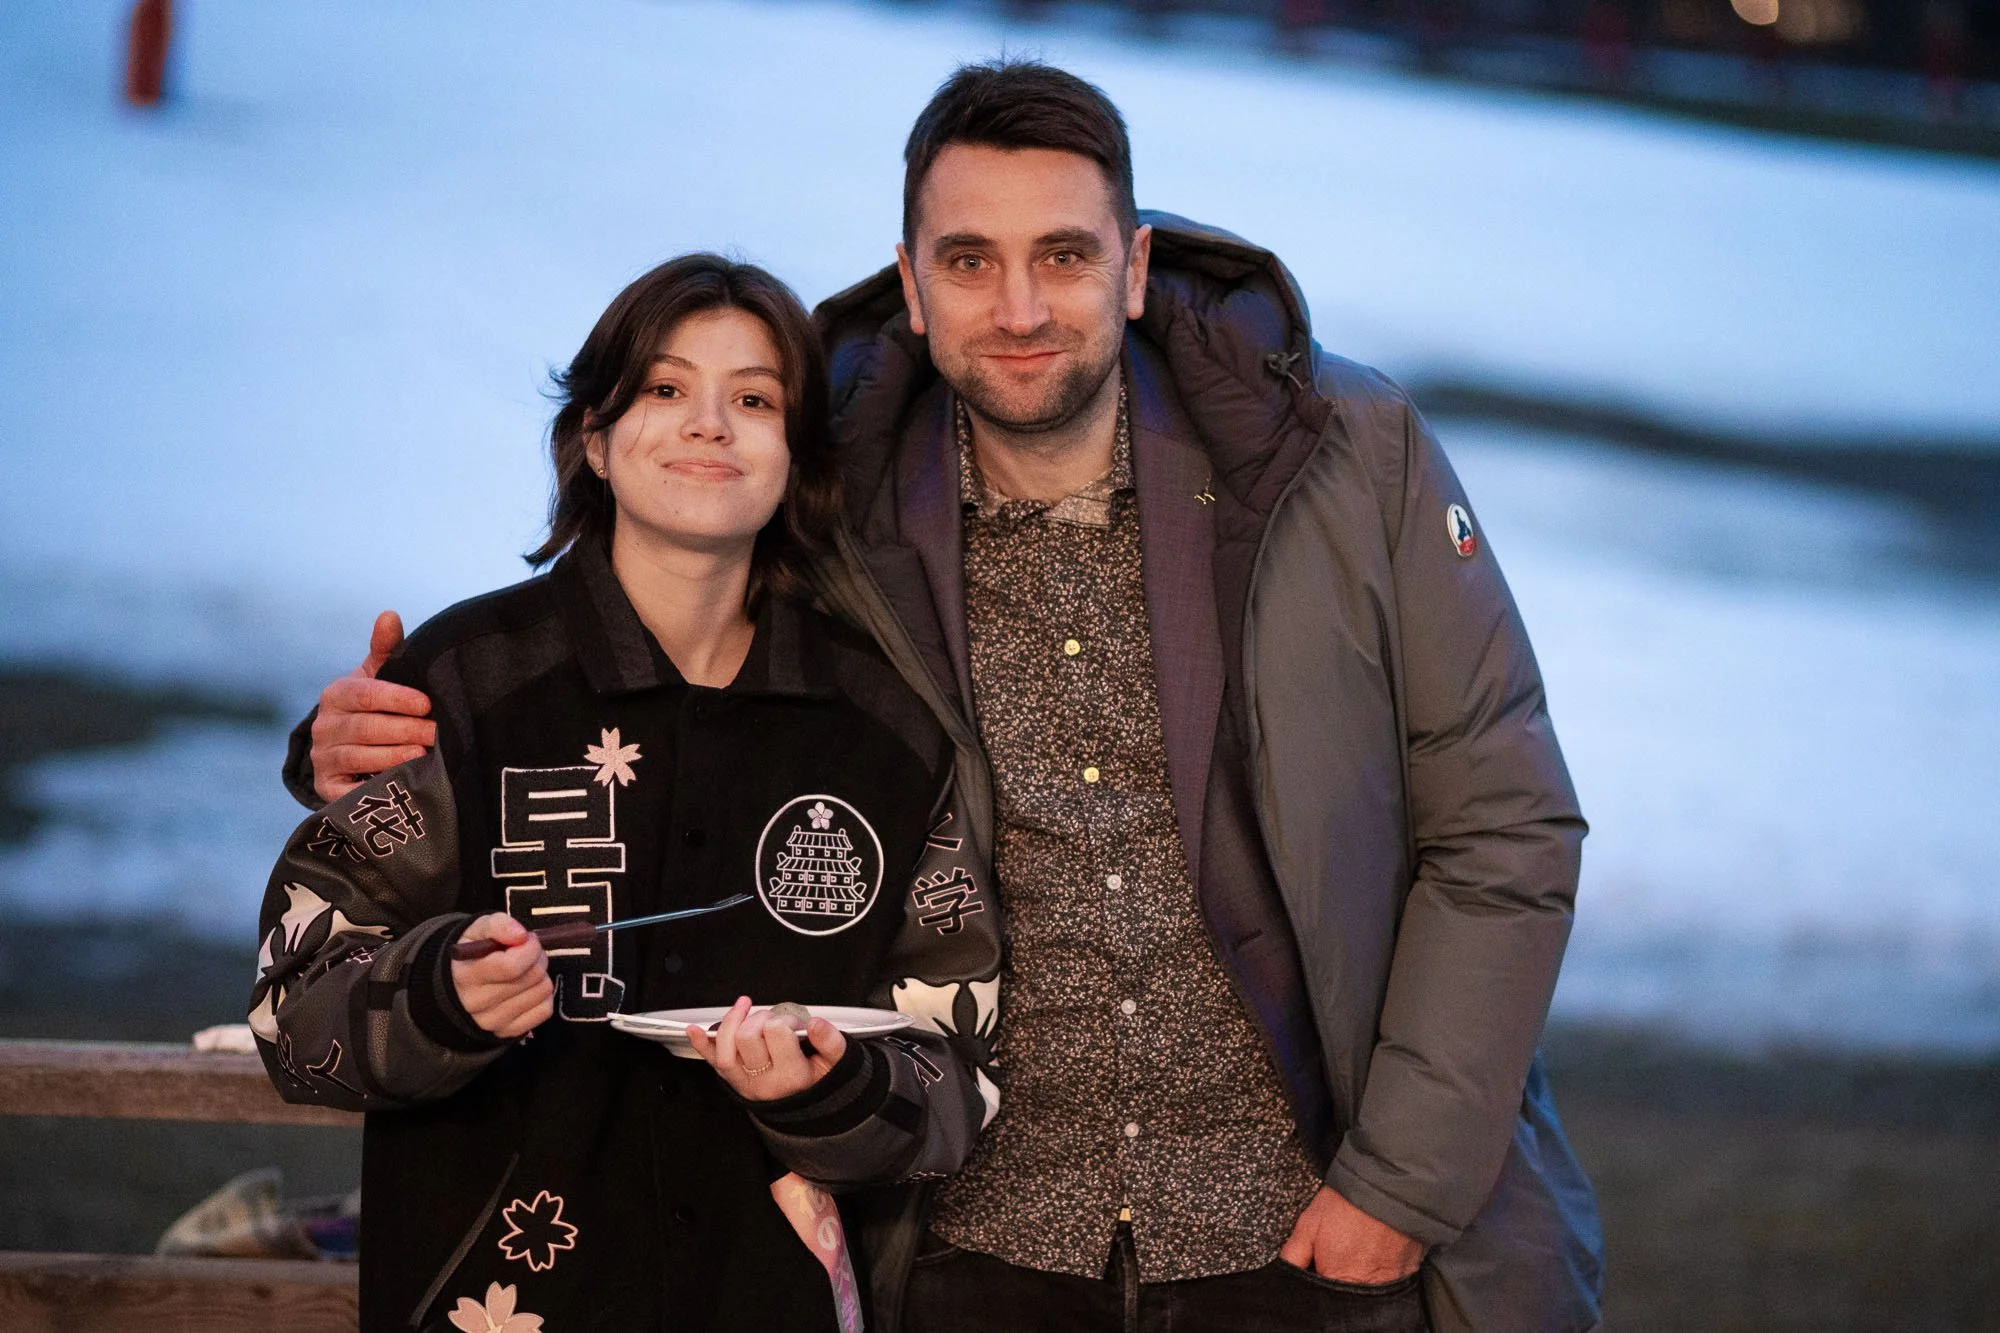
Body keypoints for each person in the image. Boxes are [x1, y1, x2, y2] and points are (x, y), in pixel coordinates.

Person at [291, 62, 1604, 1333]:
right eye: (970, 260)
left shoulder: (1345, 457)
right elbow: (642, 646)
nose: (1018, 307)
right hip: (973, 1250)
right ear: (912, 285)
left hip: (1304, 1233)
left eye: (1065, 255)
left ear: (1134, 266)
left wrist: (1397, 1188)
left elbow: (1502, 825)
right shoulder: (836, 489)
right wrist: (368, 738)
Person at [252, 254, 1002, 1332]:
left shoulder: (884, 728)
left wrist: (830, 1093)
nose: (709, 423)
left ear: (797, 458)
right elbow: (293, 1007)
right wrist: (437, 997)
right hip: (492, 1299)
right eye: (663, 387)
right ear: (594, 440)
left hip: (767, 1299)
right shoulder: (462, 684)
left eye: (755, 399)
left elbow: (957, 1066)